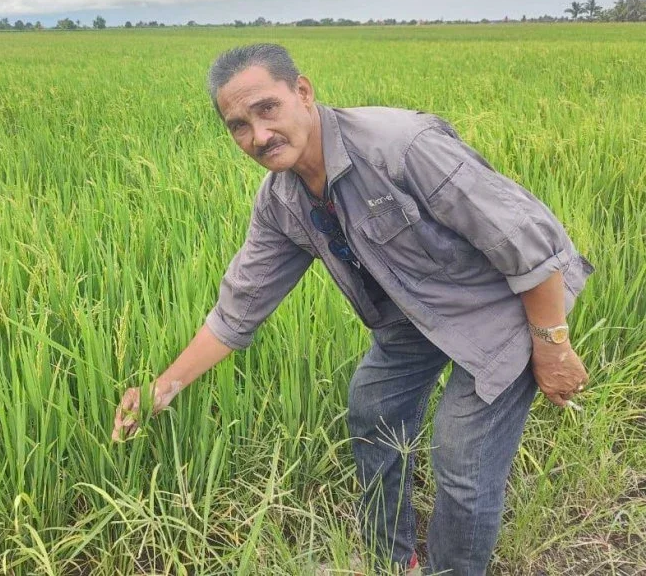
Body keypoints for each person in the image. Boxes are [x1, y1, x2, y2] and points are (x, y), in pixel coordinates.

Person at [110, 43, 594, 574]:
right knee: (373, 410)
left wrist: (553, 345)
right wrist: (160, 391)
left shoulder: (401, 146)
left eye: (267, 108)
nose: (259, 135)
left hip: (504, 307)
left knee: (462, 463)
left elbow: (527, 243)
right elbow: (238, 310)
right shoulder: (282, 202)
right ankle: (394, 561)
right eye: (238, 125)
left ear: (303, 92)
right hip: (415, 312)